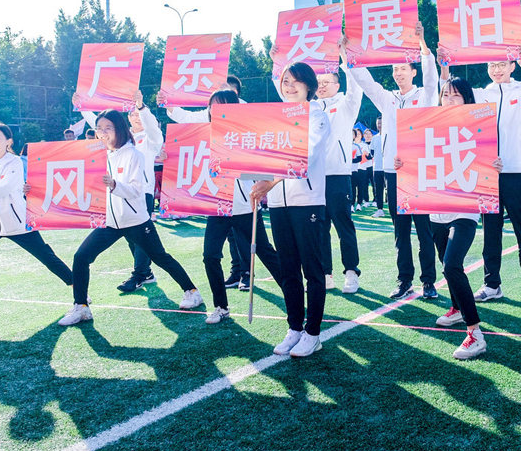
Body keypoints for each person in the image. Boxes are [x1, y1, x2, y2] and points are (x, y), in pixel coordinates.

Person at [62, 110, 204, 326]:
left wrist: (114, 185)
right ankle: (81, 307)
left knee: (160, 257)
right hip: (110, 222)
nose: (102, 133)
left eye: (107, 128)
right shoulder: (99, 156)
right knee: (81, 257)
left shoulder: (133, 154)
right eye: (99, 128)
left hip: (136, 221)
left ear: (119, 129)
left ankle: (192, 292)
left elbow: (137, 190)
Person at [396, 77, 502, 360]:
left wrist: (495, 165)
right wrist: (402, 163)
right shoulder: (429, 126)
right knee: (447, 263)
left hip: (465, 208)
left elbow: (488, 159)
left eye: (456, 95)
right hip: (437, 208)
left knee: (451, 264)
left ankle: (475, 334)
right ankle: (456, 308)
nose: (449, 100)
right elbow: (416, 158)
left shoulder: (479, 126)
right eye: (445, 95)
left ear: (467, 99)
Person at [440, 44, 521, 304]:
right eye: (491, 65)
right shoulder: (480, 94)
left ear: (512, 66)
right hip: (488, 171)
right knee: (491, 230)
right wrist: (445, 65)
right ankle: (491, 284)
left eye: (502, 64)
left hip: (517, 170)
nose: (496, 69)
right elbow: (450, 98)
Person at [167, 89, 284, 323]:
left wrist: (239, 171)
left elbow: (262, 169)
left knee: (265, 252)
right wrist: (168, 156)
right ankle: (221, 306)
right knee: (210, 255)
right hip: (217, 207)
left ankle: (293, 294)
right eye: (212, 105)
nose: (215, 109)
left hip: (244, 207)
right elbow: (186, 154)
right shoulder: (203, 134)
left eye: (222, 105)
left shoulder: (246, 134)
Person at [347, 23, 440, 299]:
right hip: (392, 172)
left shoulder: (424, 96)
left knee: (424, 232)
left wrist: (423, 45)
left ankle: (428, 282)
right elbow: (367, 83)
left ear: (413, 71)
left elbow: (432, 78)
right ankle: (404, 280)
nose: (398, 74)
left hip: (419, 173)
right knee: (401, 232)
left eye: (403, 69)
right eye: (395, 70)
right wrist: (347, 54)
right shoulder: (387, 99)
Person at [249, 62, 332, 358]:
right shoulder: (276, 117)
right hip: (278, 203)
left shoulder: (317, 116)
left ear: (309, 85)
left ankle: (313, 333)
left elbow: (304, 155)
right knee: (288, 271)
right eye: (285, 81)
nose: (290, 86)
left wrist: (270, 182)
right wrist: (258, 181)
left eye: (296, 81)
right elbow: (263, 153)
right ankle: (294, 327)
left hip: (307, 201)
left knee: (312, 270)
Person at [0, 122, 74, 319]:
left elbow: (1, 189)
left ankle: (80, 293)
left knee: (48, 258)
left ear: (8, 141)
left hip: (18, 223)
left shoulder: (15, 163)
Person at [271, 42, 363, 293]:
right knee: (320, 229)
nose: (322, 85)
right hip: (311, 178)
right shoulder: (303, 108)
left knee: (344, 226)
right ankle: (326, 273)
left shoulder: (345, 106)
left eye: (327, 81)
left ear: (337, 84)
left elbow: (356, 89)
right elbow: (285, 89)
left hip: (337, 175)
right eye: (319, 81)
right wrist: (277, 62)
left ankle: (351, 272)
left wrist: (345, 56)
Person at [76, 92, 166, 293]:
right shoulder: (116, 140)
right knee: (131, 237)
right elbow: (100, 126)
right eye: (133, 114)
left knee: (140, 236)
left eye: (140, 114)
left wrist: (141, 107)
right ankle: (146, 272)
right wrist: (82, 107)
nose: (137, 117)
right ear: (127, 119)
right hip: (115, 191)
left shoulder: (150, 139)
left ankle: (139, 275)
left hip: (141, 192)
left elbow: (152, 128)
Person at [370, 118, 387, 216]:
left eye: (381, 123)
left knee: (390, 191)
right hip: (376, 167)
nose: (379, 125)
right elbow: (372, 151)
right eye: (378, 123)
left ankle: (393, 209)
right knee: (378, 190)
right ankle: (380, 209)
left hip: (388, 168)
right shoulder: (374, 138)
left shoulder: (389, 136)